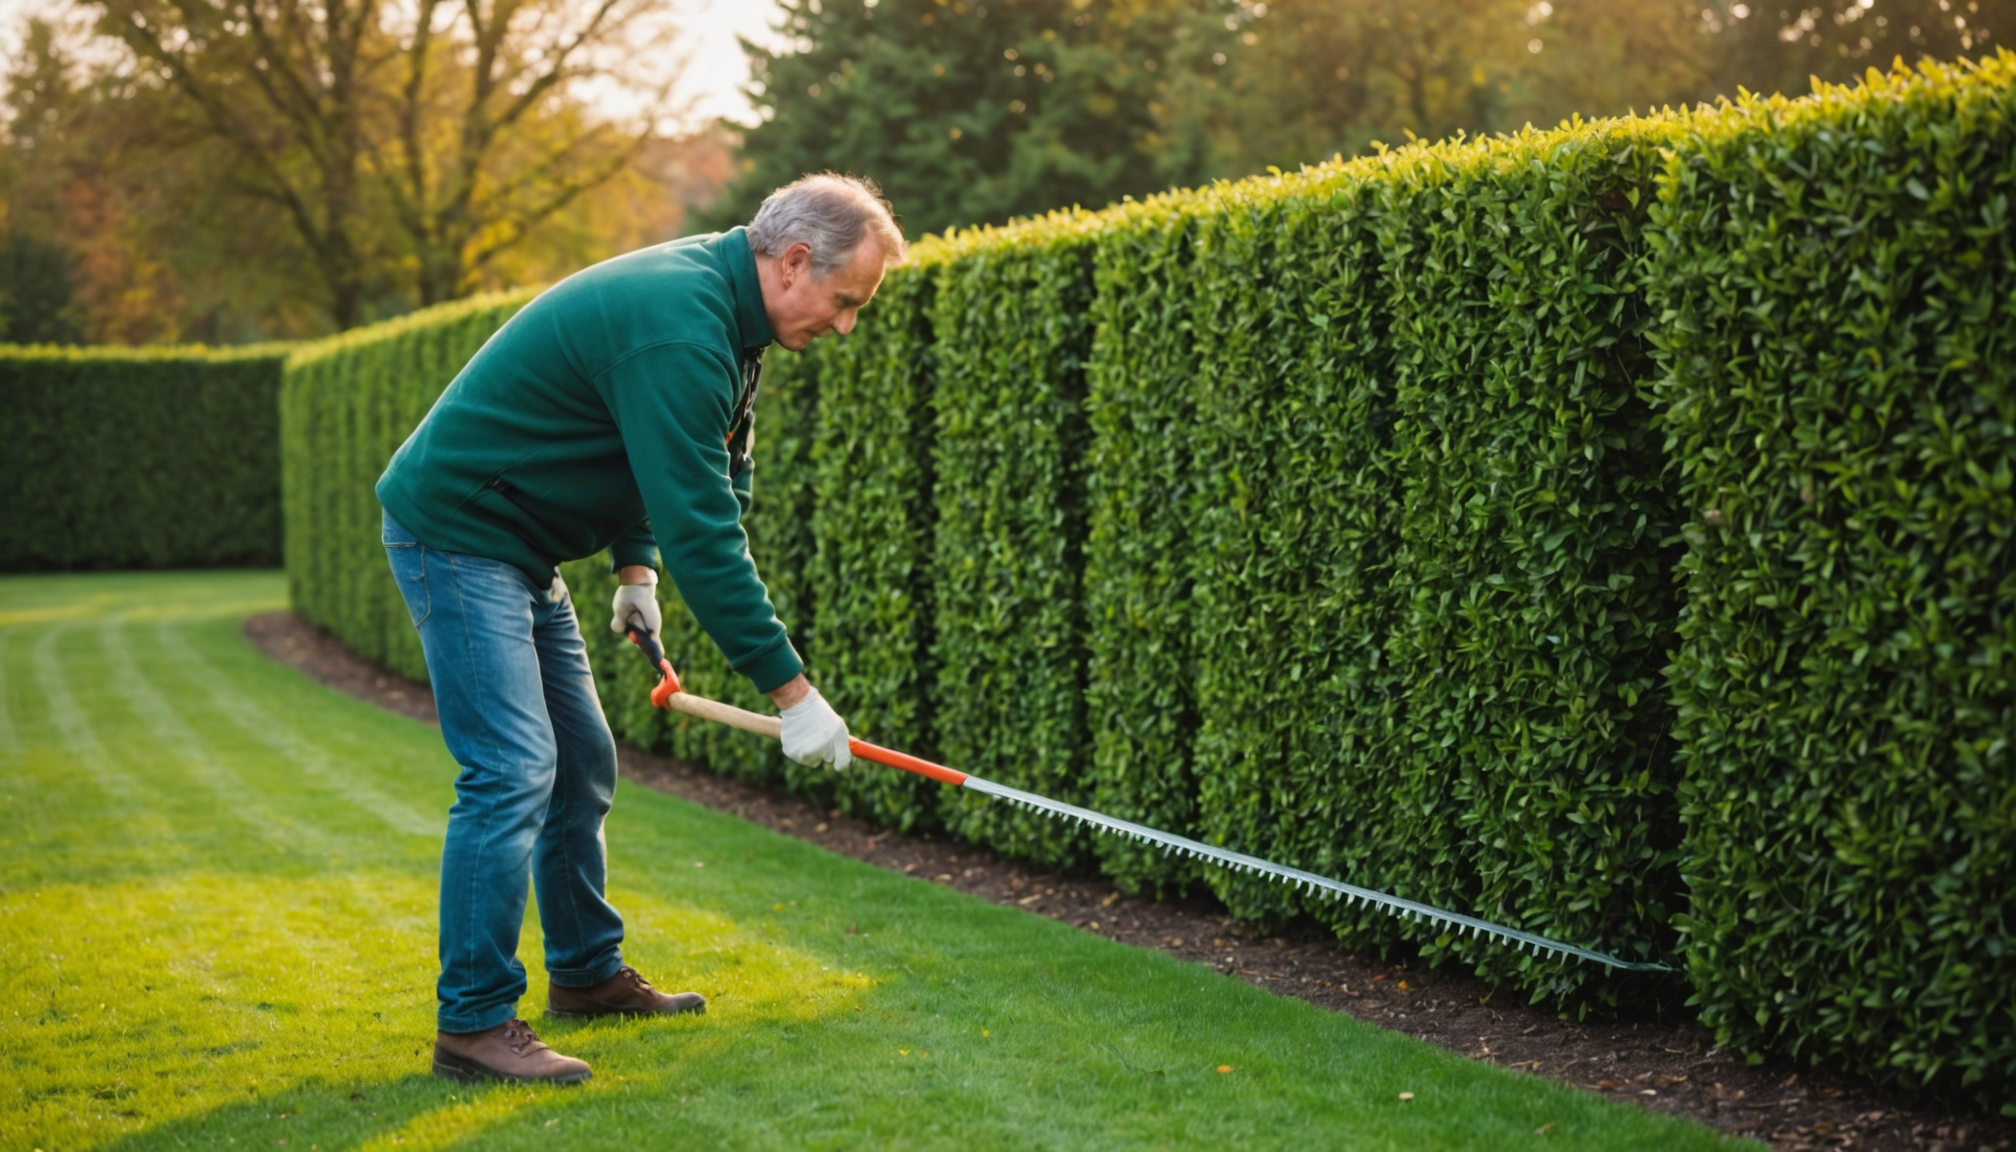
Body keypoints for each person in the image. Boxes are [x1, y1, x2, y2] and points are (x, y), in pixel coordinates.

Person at [375, 173, 905, 1084]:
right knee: (511, 771)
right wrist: (795, 694)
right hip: (460, 532)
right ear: (791, 262)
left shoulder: (735, 323)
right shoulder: (683, 325)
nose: (846, 326)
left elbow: (685, 468)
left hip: (519, 545)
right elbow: (708, 534)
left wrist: (634, 572)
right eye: (846, 301)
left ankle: (583, 975)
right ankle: (471, 1023)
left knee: (580, 764)